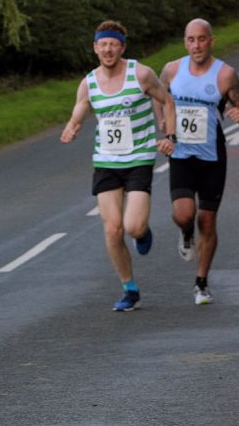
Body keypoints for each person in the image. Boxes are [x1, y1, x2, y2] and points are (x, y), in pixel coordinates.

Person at [60, 20, 176, 312]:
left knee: (132, 226)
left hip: (138, 158)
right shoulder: (89, 82)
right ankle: (129, 288)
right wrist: (72, 127)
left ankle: (142, 233)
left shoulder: (141, 74)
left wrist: (169, 135)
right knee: (112, 230)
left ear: (122, 47)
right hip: (106, 160)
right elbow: (81, 108)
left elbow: (167, 101)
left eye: (114, 44)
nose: (108, 49)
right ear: (95, 48)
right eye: (103, 44)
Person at [160, 19, 239, 306]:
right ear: (185, 42)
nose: (196, 45)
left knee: (207, 220)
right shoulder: (172, 69)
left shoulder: (226, 74)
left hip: (212, 155)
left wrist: (237, 112)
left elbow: (237, 101)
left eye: (202, 39)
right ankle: (185, 233)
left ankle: (201, 283)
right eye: (191, 39)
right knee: (183, 214)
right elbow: (159, 95)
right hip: (181, 154)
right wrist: (162, 120)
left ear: (211, 40)